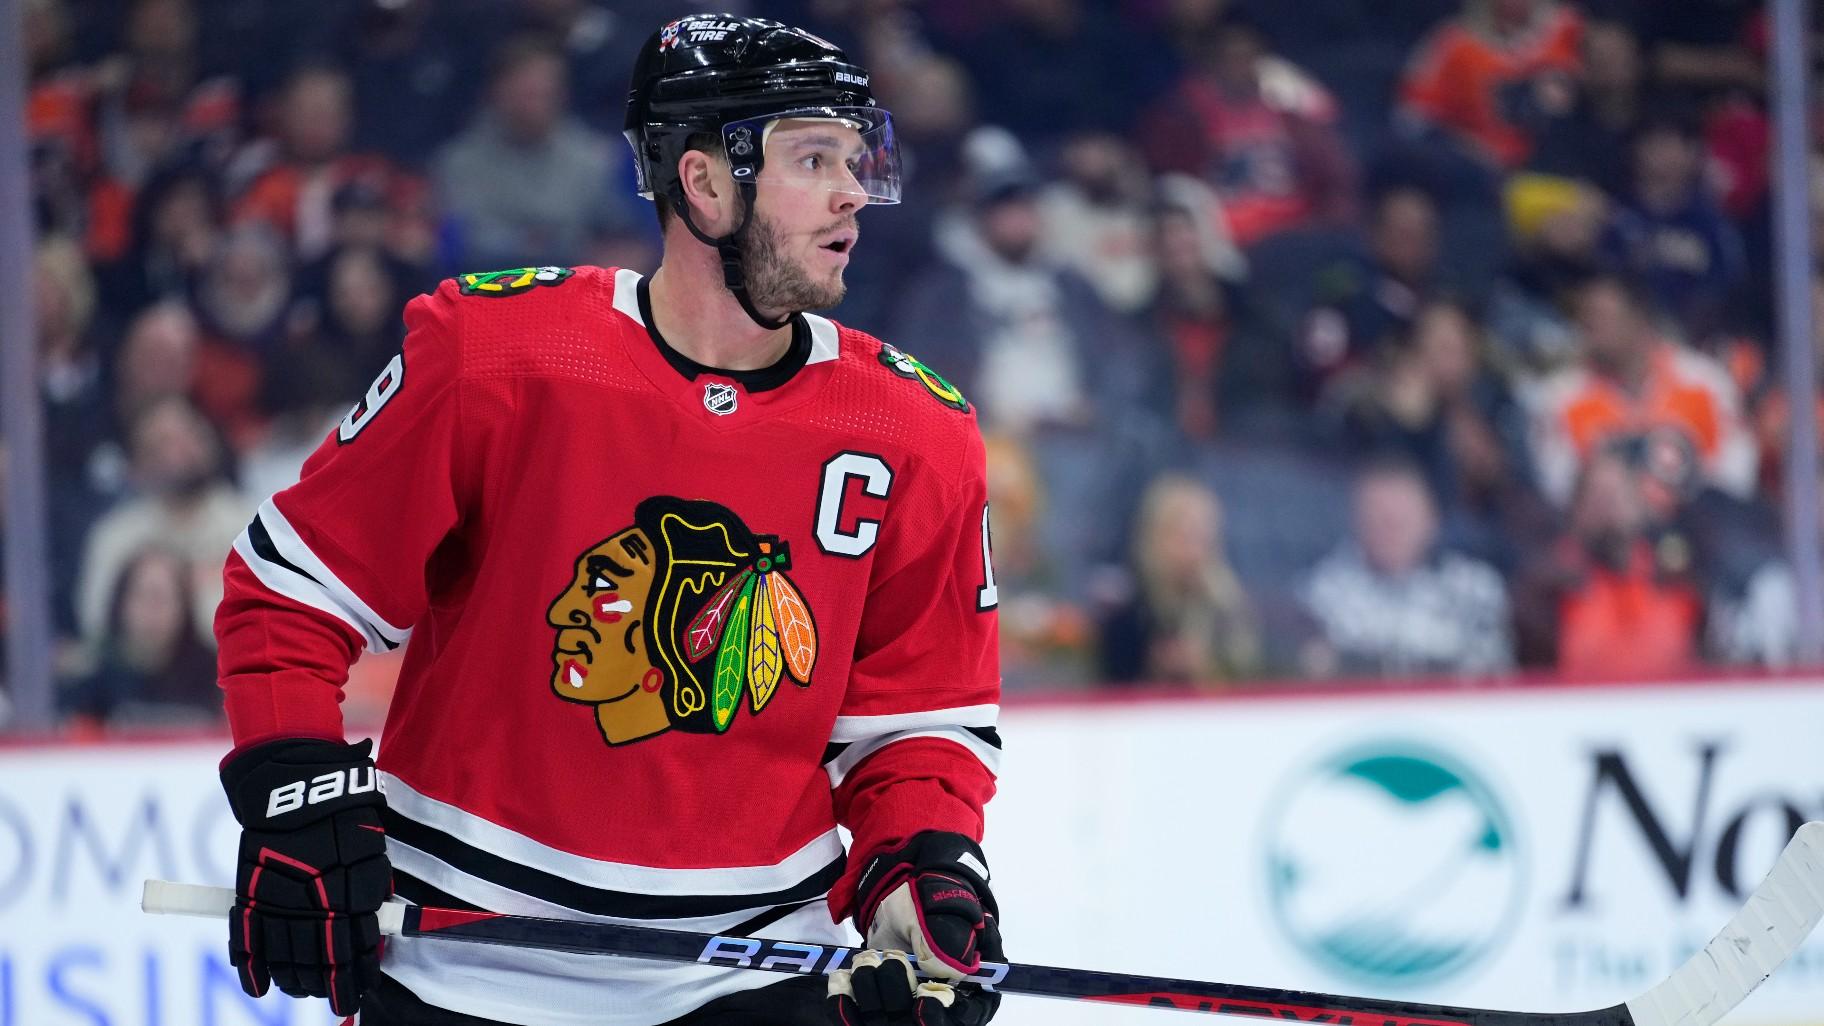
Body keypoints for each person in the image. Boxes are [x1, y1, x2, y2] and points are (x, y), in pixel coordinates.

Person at [213, 15, 1004, 1026]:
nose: (855, 192)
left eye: (857, 159)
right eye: (815, 158)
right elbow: (289, 593)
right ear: (707, 184)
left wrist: (924, 867)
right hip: (461, 961)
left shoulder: (917, 431)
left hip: (752, 971)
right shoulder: (494, 355)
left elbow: (917, 723)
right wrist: (299, 795)